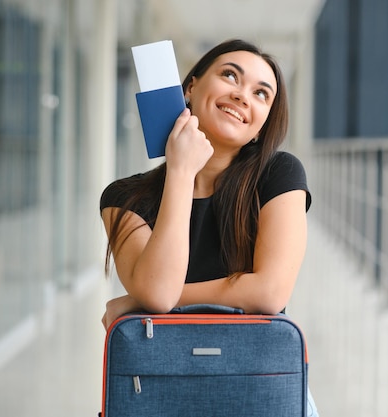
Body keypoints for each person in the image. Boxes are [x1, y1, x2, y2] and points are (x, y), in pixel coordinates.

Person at [99, 39, 318, 415]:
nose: (242, 95)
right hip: (159, 391)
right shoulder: (124, 198)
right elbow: (157, 293)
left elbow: (268, 293)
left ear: (261, 126)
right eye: (230, 75)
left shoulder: (279, 175)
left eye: (261, 94)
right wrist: (182, 171)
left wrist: (138, 304)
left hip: (258, 388)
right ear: (191, 87)